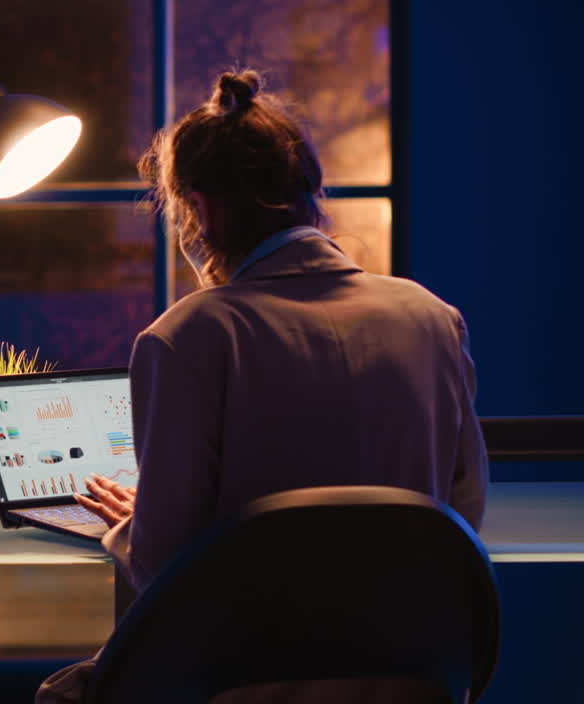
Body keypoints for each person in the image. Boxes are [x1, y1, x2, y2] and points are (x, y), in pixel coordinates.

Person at [37, 70, 488, 703]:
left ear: (199, 209)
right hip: (409, 678)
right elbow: (459, 521)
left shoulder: (190, 336)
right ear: (310, 193)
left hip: (246, 680)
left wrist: (129, 530)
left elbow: (163, 566)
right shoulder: (432, 318)